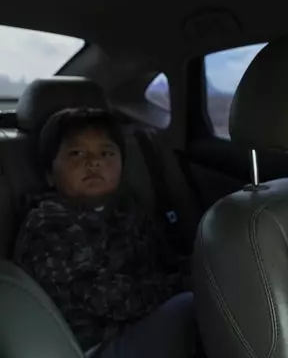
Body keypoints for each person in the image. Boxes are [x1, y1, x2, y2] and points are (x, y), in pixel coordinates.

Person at [13, 108, 196, 358]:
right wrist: (185, 284)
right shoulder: (48, 224)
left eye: (106, 153)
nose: (93, 161)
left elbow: (163, 259)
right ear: (49, 175)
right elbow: (105, 297)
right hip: (94, 345)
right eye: (76, 153)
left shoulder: (127, 208)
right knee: (191, 309)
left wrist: (200, 269)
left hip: (141, 320)